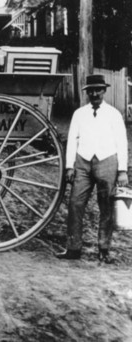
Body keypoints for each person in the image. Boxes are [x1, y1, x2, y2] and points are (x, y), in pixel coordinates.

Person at [57, 74, 129, 263]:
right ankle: (73, 248)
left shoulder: (114, 114)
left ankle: (104, 248)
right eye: (91, 90)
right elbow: (72, 140)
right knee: (75, 204)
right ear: (87, 92)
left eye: (98, 89)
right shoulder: (79, 113)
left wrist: (122, 171)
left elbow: (122, 142)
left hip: (107, 162)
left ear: (104, 91)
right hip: (83, 162)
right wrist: (69, 167)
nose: (95, 93)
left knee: (106, 206)